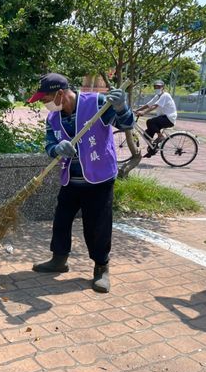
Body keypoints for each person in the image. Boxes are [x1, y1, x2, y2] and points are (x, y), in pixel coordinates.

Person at [27, 73, 133, 293]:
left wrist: (122, 107)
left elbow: (127, 123)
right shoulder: (53, 118)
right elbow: (49, 144)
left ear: (60, 93)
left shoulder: (98, 104)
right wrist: (56, 149)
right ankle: (59, 259)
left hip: (99, 179)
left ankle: (101, 267)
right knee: (61, 220)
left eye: (45, 98)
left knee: (97, 225)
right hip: (71, 179)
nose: (45, 104)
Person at [134, 80, 177, 156]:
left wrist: (144, 112)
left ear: (163, 87)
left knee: (150, 122)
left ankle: (160, 136)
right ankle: (152, 149)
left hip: (169, 119)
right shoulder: (157, 96)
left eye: (159, 87)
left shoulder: (165, 95)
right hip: (163, 118)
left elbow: (155, 106)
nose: (157, 88)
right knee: (146, 135)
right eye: (155, 87)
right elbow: (148, 105)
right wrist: (137, 110)